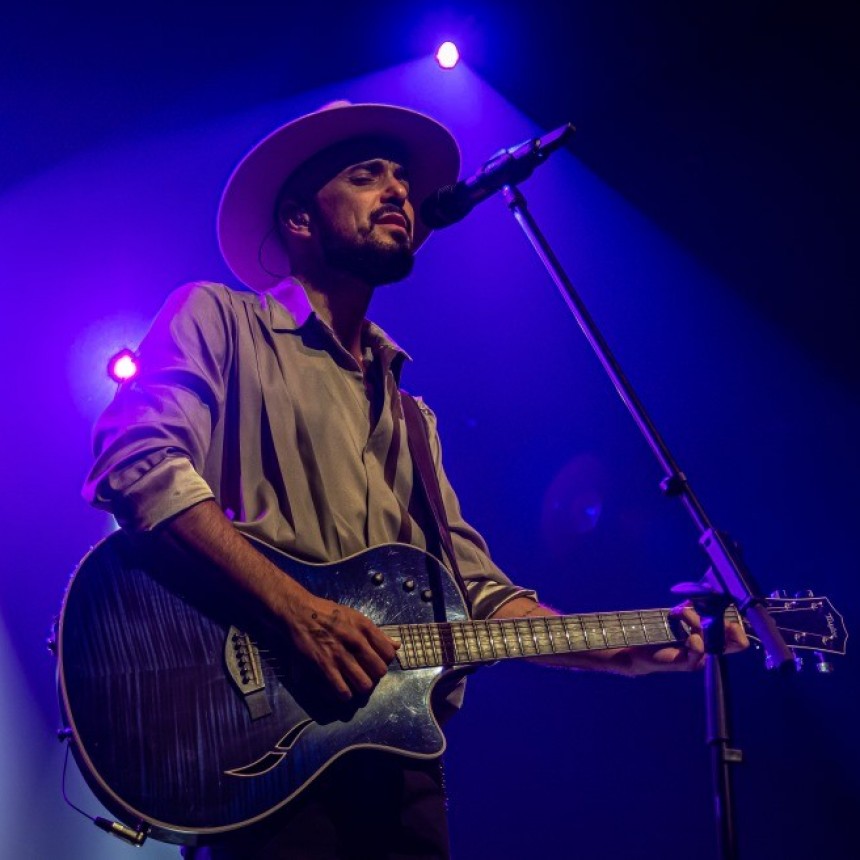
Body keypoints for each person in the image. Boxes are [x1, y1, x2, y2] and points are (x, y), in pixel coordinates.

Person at [83, 101, 748, 859]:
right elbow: (136, 462)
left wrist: (628, 648)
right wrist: (298, 612)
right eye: (368, 176)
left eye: (401, 177)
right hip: (250, 747)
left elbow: (482, 598)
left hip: (396, 768)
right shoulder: (219, 319)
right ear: (300, 217)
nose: (398, 190)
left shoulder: (410, 413)